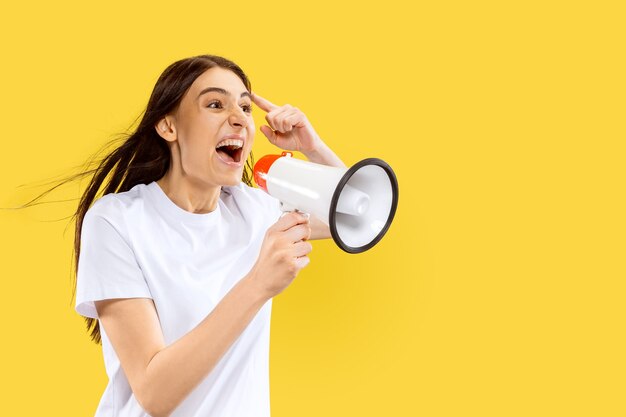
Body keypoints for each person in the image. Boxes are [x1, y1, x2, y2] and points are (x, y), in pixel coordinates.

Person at [73, 54, 346, 417]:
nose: (238, 118)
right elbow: (154, 394)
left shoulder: (255, 210)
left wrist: (312, 147)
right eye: (215, 104)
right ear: (168, 127)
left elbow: (350, 213)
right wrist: (258, 284)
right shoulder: (117, 221)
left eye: (246, 108)